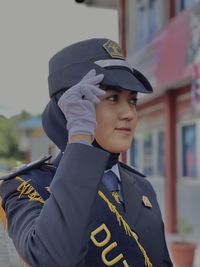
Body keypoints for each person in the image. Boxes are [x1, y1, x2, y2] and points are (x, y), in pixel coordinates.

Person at [0, 38, 173, 267]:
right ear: (69, 106)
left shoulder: (141, 186)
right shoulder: (27, 186)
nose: (129, 113)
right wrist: (80, 137)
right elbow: (52, 260)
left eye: (132, 101)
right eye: (112, 98)